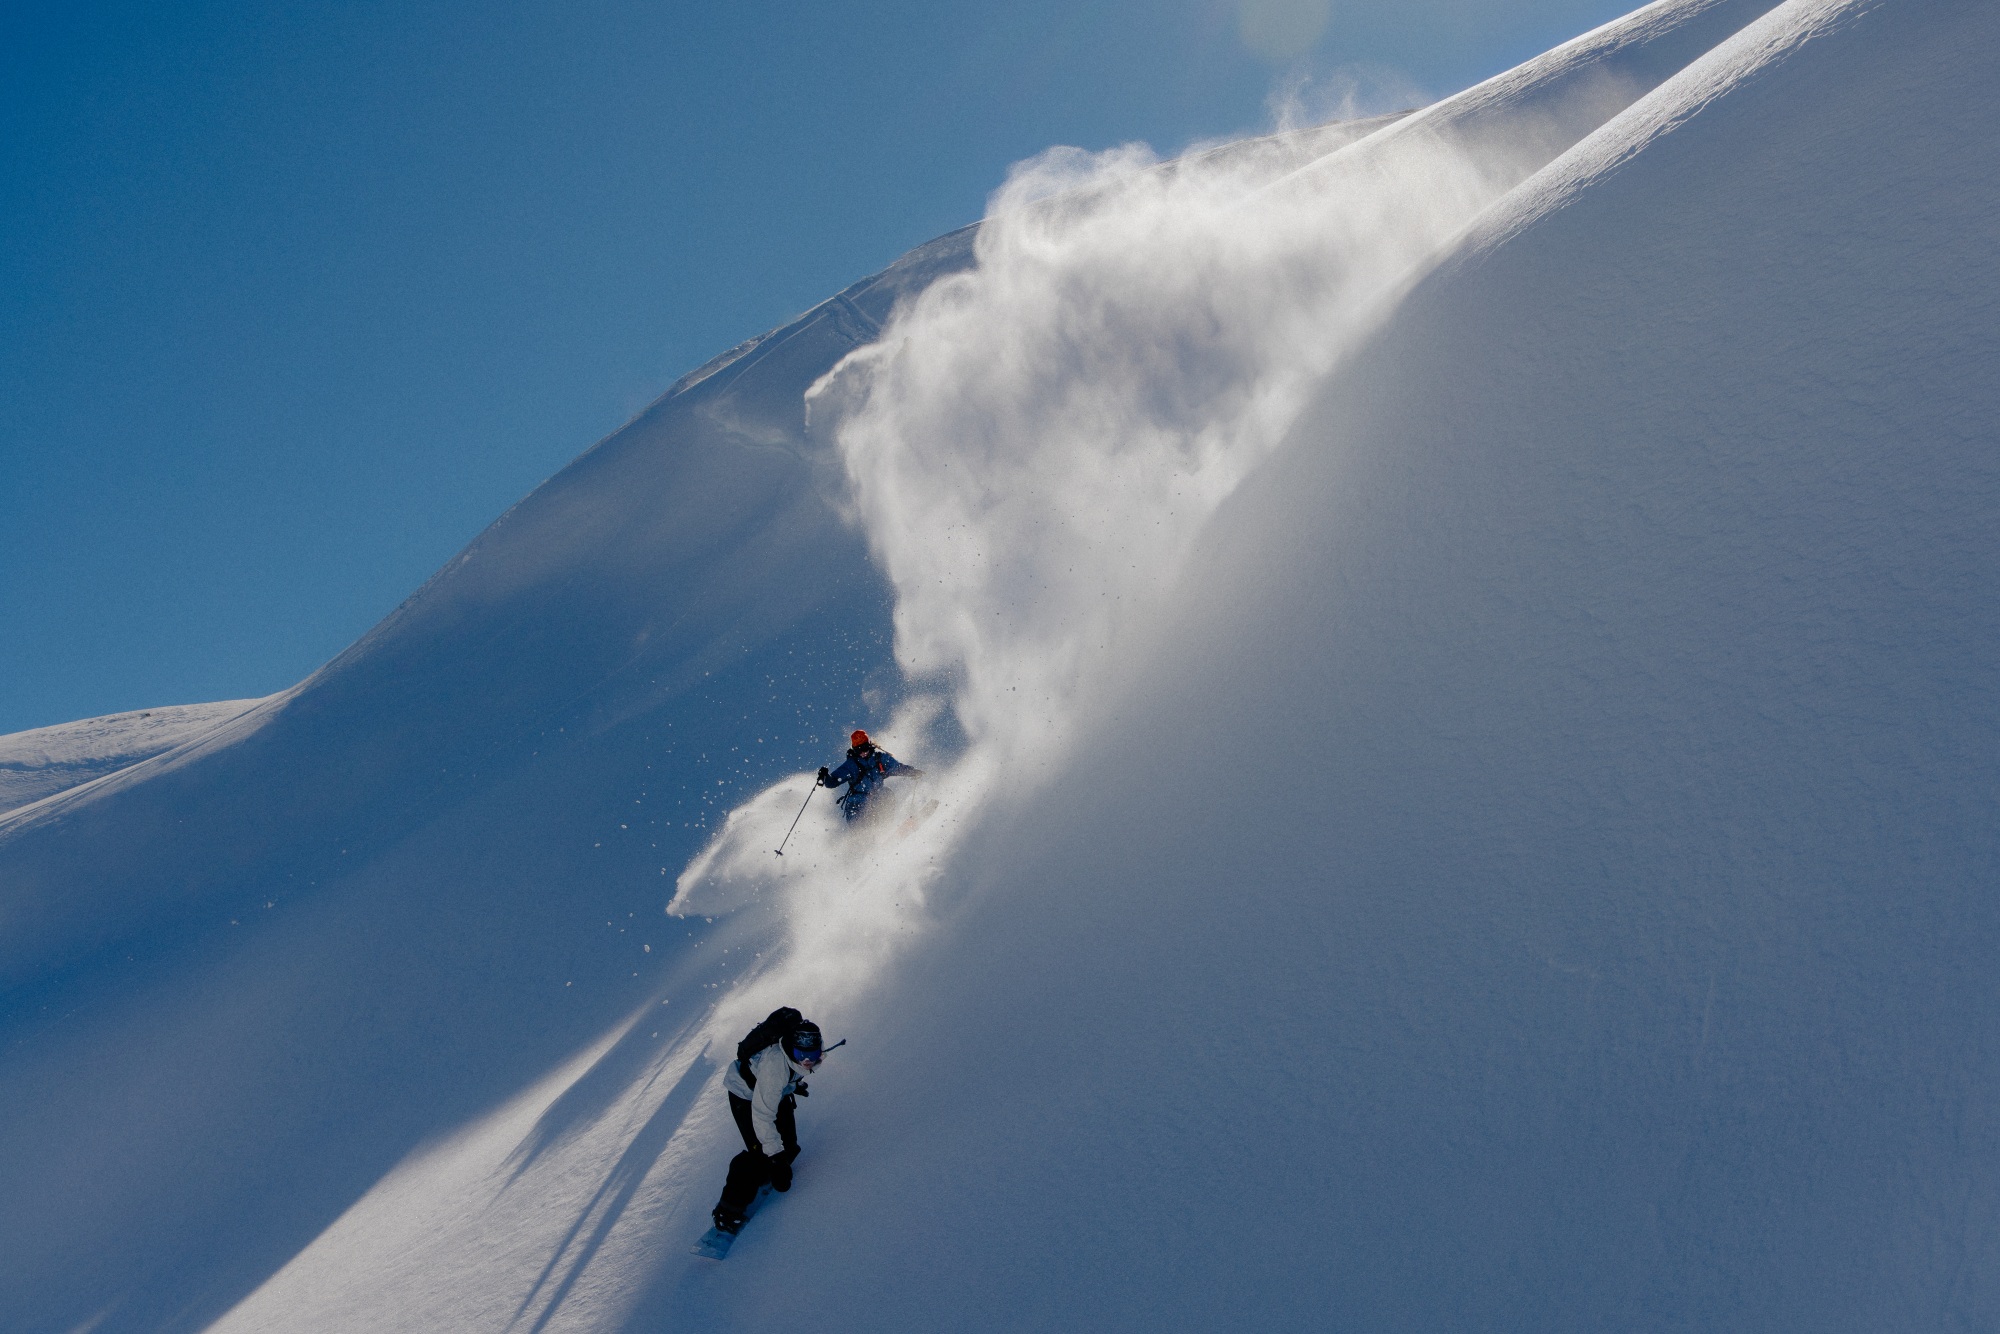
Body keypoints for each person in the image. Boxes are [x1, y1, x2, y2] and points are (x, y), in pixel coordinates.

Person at [712, 1009, 823, 1236]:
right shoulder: (775, 1068)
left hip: (772, 1091)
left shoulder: (798, 1056)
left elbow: (791, 1071)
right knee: (762, 1156)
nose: (807, 1061)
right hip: (745, 1095)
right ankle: (727, 1212)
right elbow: (762, 1116)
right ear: (792, 1049)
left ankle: (767, 1172)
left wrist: (793, 1084)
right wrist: (775, 1160)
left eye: (812, 1055)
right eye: (803, 1055)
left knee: (788, 1146)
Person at [817, 729, 922, 821]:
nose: (863, 752)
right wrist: (825, 776)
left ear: (869, 745)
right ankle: (861, 838)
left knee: (886, 794)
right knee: (861, 815)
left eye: (865, 748)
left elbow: (897, 768)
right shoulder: (852, 765)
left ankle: (885, 830)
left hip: (876, 801)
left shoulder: (880, 759)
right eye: (858, 750)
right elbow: (832, 783)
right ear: (854, 750)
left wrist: (912, 772)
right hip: (857, 805)